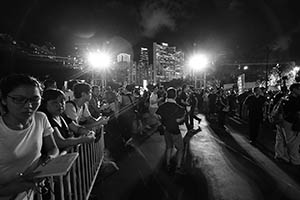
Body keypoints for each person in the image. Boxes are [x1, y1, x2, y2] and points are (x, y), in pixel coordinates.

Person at [0, 74, 59, 200]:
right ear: (4, 99)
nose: (28, 106)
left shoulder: (40, 118)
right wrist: (9, 189)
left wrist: (48, 160)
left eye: (34, 99)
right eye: (18, 99)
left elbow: (53, 148)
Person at [40, 89, 96, 153]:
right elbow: (60, 142)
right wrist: (82, 139)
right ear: (45, 104)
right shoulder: (47, 119)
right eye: (54, 102)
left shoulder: (62, 116)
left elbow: (76, 128)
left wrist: (88, 133)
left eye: (62, 101)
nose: (59, 105)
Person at [156, 87, 186, 174]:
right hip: (175, 130)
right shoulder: (179, 108)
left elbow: (156, 115)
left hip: (166, 130)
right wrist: (180, 119)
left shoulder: (162, 106)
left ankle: (168, 164)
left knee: (169, 147)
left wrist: (162, 122)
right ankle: (178, 167)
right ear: (175, 96)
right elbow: (181, 120)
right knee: (180, 148)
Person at [274, 83, 300, 165]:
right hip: (290, 122)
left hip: (280, 121)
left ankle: (280, 155)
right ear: (294, 90)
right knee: (293, 141)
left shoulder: (284, 98)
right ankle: (295, 160)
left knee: (280, 139)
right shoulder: (294, 99)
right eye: (299, 88)